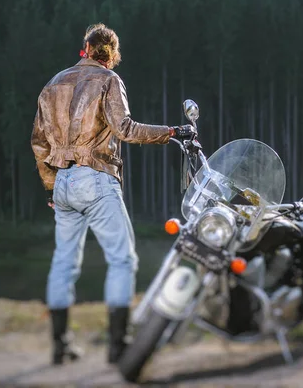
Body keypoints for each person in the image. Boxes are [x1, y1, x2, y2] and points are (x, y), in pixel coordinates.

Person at [30, 23, 196, 365]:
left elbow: (38, 142)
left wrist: (51, 185)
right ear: (112, 54)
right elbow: (125, 129)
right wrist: (172, 132)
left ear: (85, 49)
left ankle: (60, 346)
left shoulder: (52, 85)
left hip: (62, 182)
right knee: (122, 259)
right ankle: (118, 346)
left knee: (63, 263)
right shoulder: (108, 80)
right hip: (96, 179)